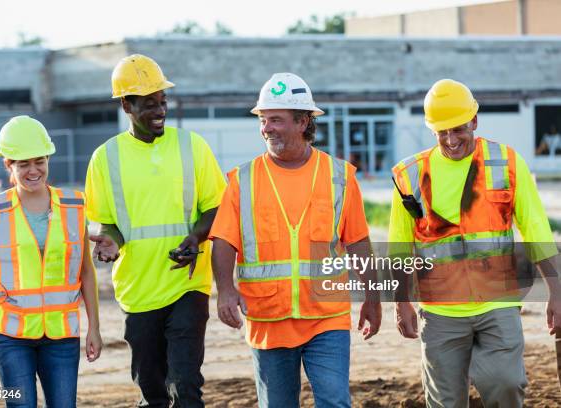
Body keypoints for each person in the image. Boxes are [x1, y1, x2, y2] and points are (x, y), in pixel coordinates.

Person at [210, 73, 382, 408]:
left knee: (335, 402)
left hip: (326, 316)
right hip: (269, 317)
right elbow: (223, 241)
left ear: (303, 122)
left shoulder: (339, 176)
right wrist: (225, 291)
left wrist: (372, 298)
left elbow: (359, 242)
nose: (267, 128)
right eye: (263, 120)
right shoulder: (242, 180)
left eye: (276, 119)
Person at [390, 79, 561, 407]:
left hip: (497, 302)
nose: (451, 141)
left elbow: (535, 228)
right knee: (446, 401)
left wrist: (556, 290)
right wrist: (401, 301)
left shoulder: (507, 163)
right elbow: (399, 245)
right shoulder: (410, 175)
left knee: (506, 384)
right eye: (442, 133)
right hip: (441, 311)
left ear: (474, 122)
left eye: (458, 130)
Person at [85, 54, 226, 407]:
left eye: (163, 102)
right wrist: (109, 244)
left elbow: (216, 206)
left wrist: (196, 237)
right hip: (138, 290)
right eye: (149, 104)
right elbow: (109, 222)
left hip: (187, 284)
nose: (160, 110)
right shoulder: (106, 158)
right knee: (153, 391)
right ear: (125, 105)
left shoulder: (191, 146)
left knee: (186, 385)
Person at [0, 115, 102, 408]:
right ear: (9, 165)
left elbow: (86, 271)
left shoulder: (74, 206)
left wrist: (94, 328)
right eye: (23, 164)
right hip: (11, 335)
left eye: (39, 161)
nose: (33, 170)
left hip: (61, 334)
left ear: (48, 159)